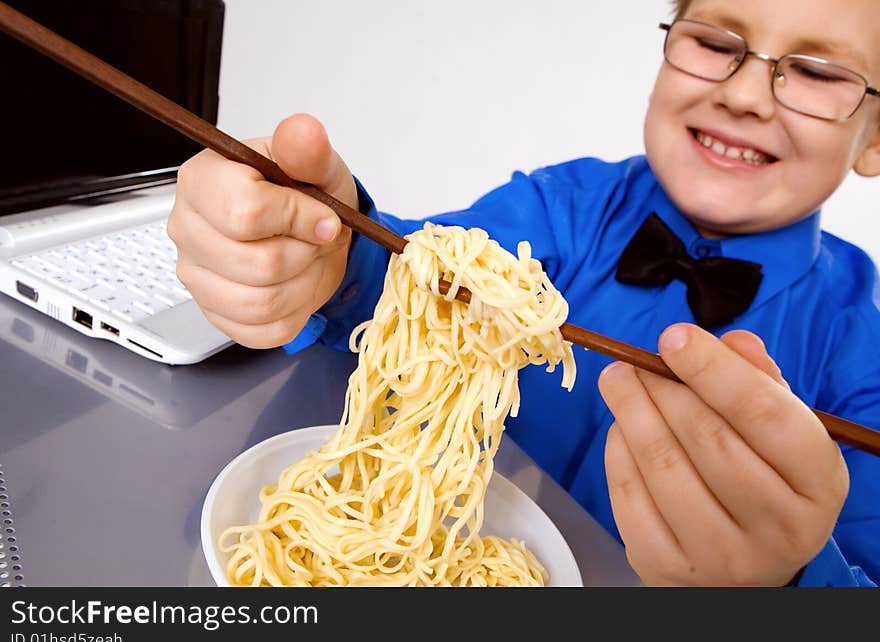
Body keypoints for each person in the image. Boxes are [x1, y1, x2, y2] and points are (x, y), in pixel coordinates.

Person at [167, 0, 880, 586]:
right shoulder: (562, 206)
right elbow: (422, 277)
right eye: (715, 40)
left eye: (817, 73)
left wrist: (788, 578)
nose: (745, 93)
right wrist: (322, 250)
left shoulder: (861, 354)